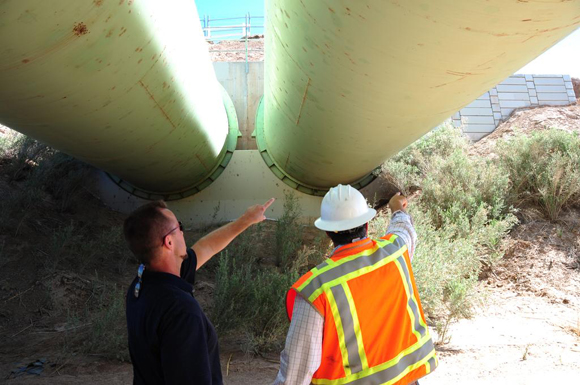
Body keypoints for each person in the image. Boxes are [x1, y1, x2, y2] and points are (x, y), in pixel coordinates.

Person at [273, 185, 437, 385]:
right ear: (366, 224)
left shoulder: (316, 290)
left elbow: (296, 372)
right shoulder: (395, 253)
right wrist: (398, 210)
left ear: (327, 232)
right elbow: (404, 231)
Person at [124, 198, 274, 385]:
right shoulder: (181, 311)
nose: (182, 231)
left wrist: (246, 219)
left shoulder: (142, 284)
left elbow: (207, 246)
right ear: (169, 242)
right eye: (178, 227)